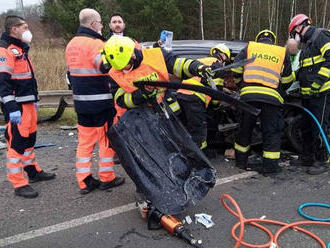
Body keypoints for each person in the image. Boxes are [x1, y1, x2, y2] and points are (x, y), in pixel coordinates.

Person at [65, 8, 125, 195]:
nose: (101, 25)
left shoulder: (71, 44)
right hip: (101, 102)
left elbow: (71, 74)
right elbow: (105, 67)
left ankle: (84, 181)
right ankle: (107, 178)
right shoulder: (96, 44)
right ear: (93, 24)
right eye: (99, 22)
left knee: (85, 142)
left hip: (81, 104)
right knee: (106, 140)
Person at [0, 15, 56, 198]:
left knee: (29, 140)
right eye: (24, 26)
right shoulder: (6, 50)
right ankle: (18, 183)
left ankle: (32, 170)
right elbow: (3, 83)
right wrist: (11, 108)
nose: (27, 29)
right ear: (13, 29)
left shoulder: (20, 49)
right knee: (16, 144)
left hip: (28, 104)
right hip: (17, 106)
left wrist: (33, 101)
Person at [231, 29, 294, 175]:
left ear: (258, 39)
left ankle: (241, 162)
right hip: (271, 99)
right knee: (271, 132)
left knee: (244, 130)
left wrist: (241, 84)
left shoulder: (250, 47)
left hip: (248, 97)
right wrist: (279, 91)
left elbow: (236, 68)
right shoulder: (281, 52)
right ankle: (270, 168)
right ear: (273, 40)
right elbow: (288, 79)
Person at [288, 14, 330, 175]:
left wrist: (318, 82)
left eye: (294, 34)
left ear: (299, 27)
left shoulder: (321, 36)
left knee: (318, 126)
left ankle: (322, 160)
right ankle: (307, 157)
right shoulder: (306, 46)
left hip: (321, 93)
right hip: (307, 96)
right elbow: (303, 70)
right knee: (306, 127)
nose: (295, 38)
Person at [177, 43, 231, 151]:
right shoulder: (218, 66)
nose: (226, 62)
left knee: (185, 129)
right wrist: (216, 108)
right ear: (221, 55)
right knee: (199, 133)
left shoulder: (201, 61)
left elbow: (204, 81)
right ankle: (198, 159)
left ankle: (185, 154)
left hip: (181, 96)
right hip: (195, 99)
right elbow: (216, 93)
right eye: (226, 58)